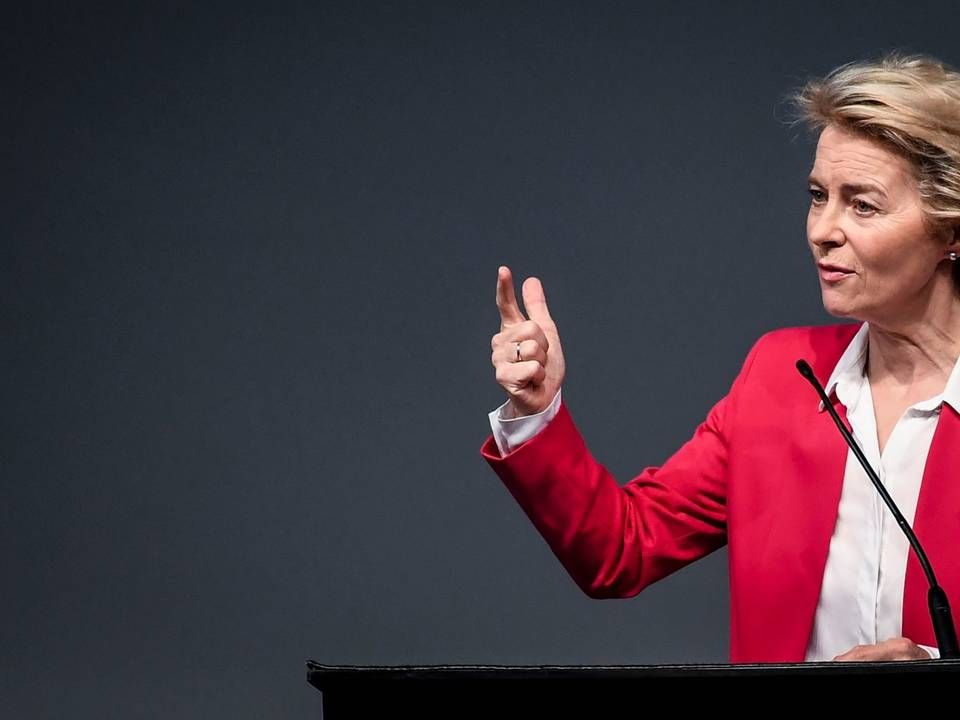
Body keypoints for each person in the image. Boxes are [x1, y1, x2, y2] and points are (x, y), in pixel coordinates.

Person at [480, 52, 960, 664]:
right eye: (818, 196)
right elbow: (620, 551)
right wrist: (538, 412)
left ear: (951, 231)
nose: (822, 230)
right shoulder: (779, 377)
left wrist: (936, 672)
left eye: (862, 204)